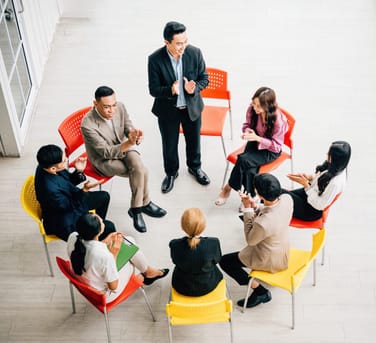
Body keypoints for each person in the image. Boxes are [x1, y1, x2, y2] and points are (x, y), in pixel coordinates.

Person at [81, 86, 167, 233]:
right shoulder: (87, 125)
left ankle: (137, 208)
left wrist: (134, 134)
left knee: (139, 169)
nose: (112, 110)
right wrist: (129, 143)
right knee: (141, 171)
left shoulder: (120, 107)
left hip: (123, 147)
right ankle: (142, 205)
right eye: (107, 107)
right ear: (95, 104)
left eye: (113, 105)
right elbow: (106, 152)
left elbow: (127, 126)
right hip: (103, 160)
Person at [148, 20, 210, 193]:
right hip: (168, 110)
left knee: (194, 141)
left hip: (191, 107)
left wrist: (195, 87)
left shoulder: (195, 53)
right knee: (169, 144)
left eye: (185, 41)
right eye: (178, 44)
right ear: (167, 42)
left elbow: (204, 78)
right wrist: (170, 90)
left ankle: (195, 167)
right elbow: (153, 89)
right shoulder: (155, 59)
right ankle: (171, 173)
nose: (183, 46)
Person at [219, 173, 293, 308]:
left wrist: (247, 209)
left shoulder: (263, 223)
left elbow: (250, 240)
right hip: (283, 250)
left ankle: (259, 291)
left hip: (269, 259)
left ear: (259, 194)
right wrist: (254, 205)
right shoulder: (287, 199)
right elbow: (272, 210)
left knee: (225, 262)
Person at [67, 213, 169, 302]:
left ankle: (149, 272)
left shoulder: (73, 237)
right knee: (131, 249)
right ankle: (145, 275)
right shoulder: (104, 256)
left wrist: (105, 241)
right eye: (102, 222)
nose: (104, 223)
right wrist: (114, 254)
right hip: (104, 295)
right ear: (99, 231)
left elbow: (89, 249)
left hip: (86, 281)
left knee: (128, 241)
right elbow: (113, 286)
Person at [215, 87, 288, 207]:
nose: (254, 107)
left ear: (268, 106)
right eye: (254, 103)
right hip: (254, 140)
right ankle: (249, 197)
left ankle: (227, 188)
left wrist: (258, 138)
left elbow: (276, 147)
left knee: (243, 159)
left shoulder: (278, 122)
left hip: (270, 150)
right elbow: (246, 125)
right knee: (249, 169)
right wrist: (247, 131)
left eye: (258, 106)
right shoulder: (252, 109)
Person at [34, 144, 115, 241]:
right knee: (110, 227)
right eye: (64, 161)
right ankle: (94, 234)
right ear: (53, 169)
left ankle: (96, 227)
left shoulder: (47, 165)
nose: (67, 161)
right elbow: (71, 206)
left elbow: (67, 182)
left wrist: (78, 171)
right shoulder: (50, 191)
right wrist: (84, 190)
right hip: (65, 220)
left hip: (69, 202)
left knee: (104, 197)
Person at [284, 141, 351, 221]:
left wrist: (306, 185)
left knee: (278, 196)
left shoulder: (335, 183)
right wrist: (309, 177)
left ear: (336, 158)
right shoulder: (337, 166)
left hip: (311, 210)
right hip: (310, 194)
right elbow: (323, 179)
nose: (326, 154)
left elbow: (319, 205)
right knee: (279, 195)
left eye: (329, 153)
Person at [168, 208, 223, 296]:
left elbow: (175, 261)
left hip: (182, 286)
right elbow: (217, 260)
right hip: (208, 285)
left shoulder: (174, 244)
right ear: (203, 226)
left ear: (182, 226)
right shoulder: (213, 242)